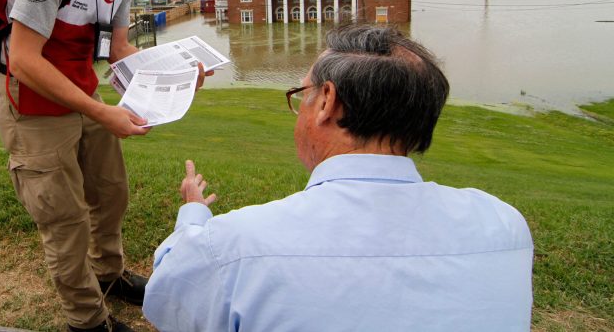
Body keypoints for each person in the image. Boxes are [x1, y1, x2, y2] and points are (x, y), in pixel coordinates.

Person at [143, 24, 534, 332]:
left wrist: (193, 216)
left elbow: (168, 302)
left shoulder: (232, 247)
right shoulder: (504, 226)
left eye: (303, 93)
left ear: (327, 102)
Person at [0, 0, 180, 332]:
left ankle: (109, 277)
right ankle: (87, 320)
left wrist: (176, 73)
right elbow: (25, 59)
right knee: (65, 220)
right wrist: (102, 110)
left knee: (111, 195)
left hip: (84, 96)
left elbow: (118, 51)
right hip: (33, 106)